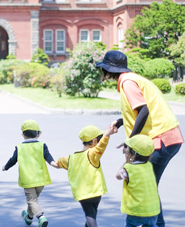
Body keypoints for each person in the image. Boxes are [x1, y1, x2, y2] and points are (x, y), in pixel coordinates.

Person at [97, 50, 183, 226]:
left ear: (108, 69)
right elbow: (140, 110)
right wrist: (122, 122)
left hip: (161, 138)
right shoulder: (131, 79)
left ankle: (156, 224)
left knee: (148, 185)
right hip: (165, 136)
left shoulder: (128, 82)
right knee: (150, 185)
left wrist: (131, 141)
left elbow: (144, 110)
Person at [54, 123, 118, 227]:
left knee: (90, 214)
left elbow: (59, 162)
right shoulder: (92, 154)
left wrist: (52, 161)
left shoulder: (71, 158)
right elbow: (102, 146)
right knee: (92, 214)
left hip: (83, 194)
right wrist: (107, 135)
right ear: (95, 141)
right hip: (96, 192)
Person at [2, 120, 55, 227]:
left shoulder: (20, 147)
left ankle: (41, 217)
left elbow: (13, 160)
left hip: (28, 180)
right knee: (33, 201)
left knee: (32, 201)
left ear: (23, 135)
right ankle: (29, 218)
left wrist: (5, 167)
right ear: (38, 134)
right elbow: (49, 157)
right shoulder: (42, 145)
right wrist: (55, 164)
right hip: (41, 179)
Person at [116, 134, 160, 227]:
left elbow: (118, 176)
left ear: (132, 153)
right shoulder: (148, 165)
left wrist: (126, 162)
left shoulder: (128, 168)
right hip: (153, 210)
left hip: (136, 210)